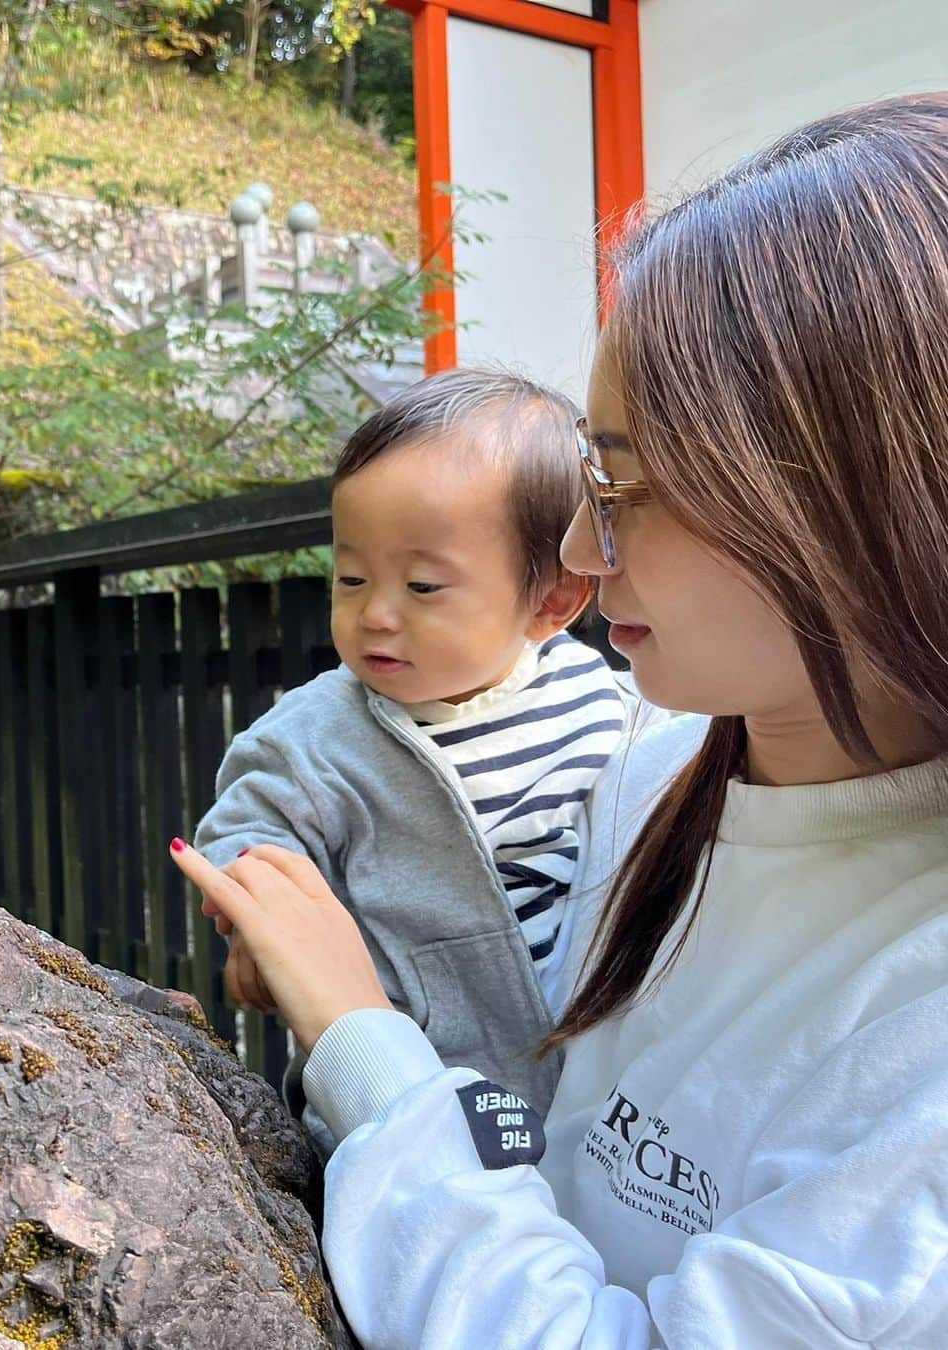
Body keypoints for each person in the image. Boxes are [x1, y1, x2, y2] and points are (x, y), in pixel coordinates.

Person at [174, 92, 948, 1345]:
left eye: (629, 490)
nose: (586, 552)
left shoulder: (915, 1028)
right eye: (597, 481)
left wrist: (367, 1048)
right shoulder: (647, 766)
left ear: (872, 502)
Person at [194, 369, 625, 1144]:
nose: (376, 613)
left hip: (591, 1080)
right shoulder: (316, 737)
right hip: (405, 1081)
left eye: (423, 586)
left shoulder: (602, 703)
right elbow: (249, 826)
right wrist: (258, 921)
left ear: (552, 601)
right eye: (351, 578)